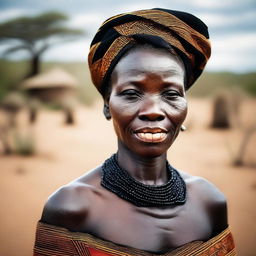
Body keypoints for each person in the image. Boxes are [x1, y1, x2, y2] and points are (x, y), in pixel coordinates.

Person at [33, 8, 236, 256]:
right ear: (108, 106)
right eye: (131, 93)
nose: (153, 111)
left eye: (171, 94)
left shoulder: (210, 202)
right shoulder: (70, 207)